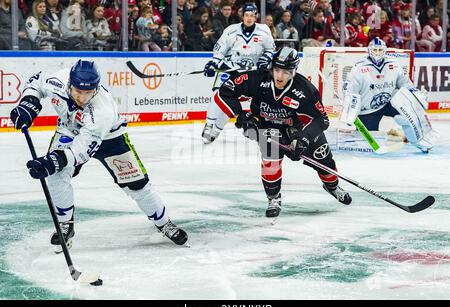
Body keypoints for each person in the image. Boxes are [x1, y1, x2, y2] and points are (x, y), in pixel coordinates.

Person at [10, 60, 188, 251]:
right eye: (79, 91)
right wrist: (29, 102)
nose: (83, 97)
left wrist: (55, 160)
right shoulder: (57, 80)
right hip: (69, 131)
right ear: (70, 84)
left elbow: (82, 150)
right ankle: (65, 225)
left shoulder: (102, 111)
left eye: (88, 93)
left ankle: (163, 223)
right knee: (56, 175)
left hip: (110, 138)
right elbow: (36, 81)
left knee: (137, 184)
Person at [215, 47, 352, 218]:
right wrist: (242, 115)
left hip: (300, 130)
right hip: (268, 130)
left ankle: (332, 187)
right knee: (270, 163)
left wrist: (304, 140)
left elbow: (321, 120)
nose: (280, 76)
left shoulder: (305, 90)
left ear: (294, 71)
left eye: (286, 72)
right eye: (277, 70)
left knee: (323, 159)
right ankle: (273, 198)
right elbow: (225, 91)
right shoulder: (258, 79)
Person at [339, 37, 438, 153]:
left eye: (380, 50)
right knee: (368, 142)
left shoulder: (393, 64)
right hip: (367, 110)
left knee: (408, 116)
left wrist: (415, 94)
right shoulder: (359, 68)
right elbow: (351, 91)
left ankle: (419, 141)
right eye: (374, 50)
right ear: (369, 50)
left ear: (385, 50)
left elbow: (405, 83)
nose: (377, 53)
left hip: (388, 103)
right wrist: (349, 110)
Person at [201, 2, 275, 144]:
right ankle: (209, 125)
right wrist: (214, 63)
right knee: (217, 94)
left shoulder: (264, 30)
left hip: (250, 74)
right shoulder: (231, 30)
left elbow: (270, 50)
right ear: (242, 15)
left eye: (252, 15)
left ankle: (216, 129)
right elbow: (220, 50)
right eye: (246, 15)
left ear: (256, 16)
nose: (249, 18)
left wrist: (265, 59)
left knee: (230, 101)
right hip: (231, 68)